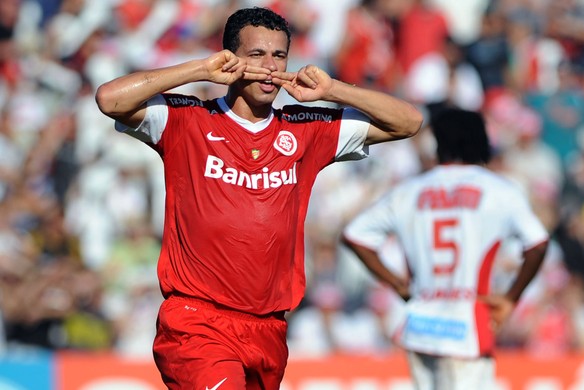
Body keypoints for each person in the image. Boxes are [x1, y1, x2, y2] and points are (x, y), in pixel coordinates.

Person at [95, 6, 423, 390]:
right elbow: (109, 99)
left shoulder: (306, 129)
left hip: (269, 330)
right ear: (231, 58)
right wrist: (200, 70)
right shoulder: (188, 121)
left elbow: (409, 122)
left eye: (279, 55)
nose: (270, 66)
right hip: (198, 322)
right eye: (256, 55)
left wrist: (332, 90)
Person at [342, 108, 549, 390]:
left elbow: (354, 236)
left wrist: (397, 284)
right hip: (468, 326)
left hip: (422, 324)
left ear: (438, 143)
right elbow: (537, 245)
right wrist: (511, 297)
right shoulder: (499, 190)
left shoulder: (409, 191)